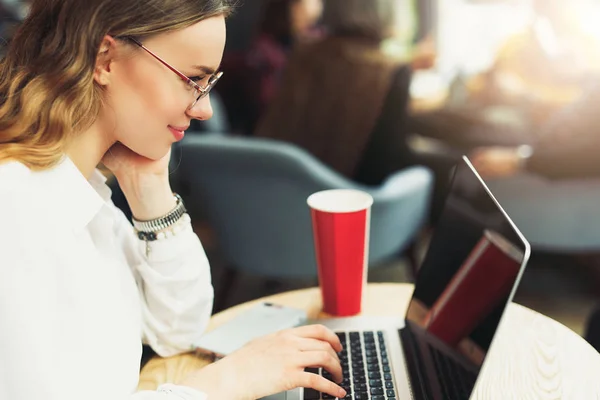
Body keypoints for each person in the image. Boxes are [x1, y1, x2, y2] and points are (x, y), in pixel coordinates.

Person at [0, 1, 347, 400]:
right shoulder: (16, 208)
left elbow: (179, 328)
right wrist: (226, 382)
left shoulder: (81, 190)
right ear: (106, 59)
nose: (203, 108)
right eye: (192, 80)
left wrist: (150, 189)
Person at [255, 0, 418, 186]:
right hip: (355, 201)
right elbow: (384, 162)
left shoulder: (302, 52)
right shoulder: (391, 70)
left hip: (281, 189)